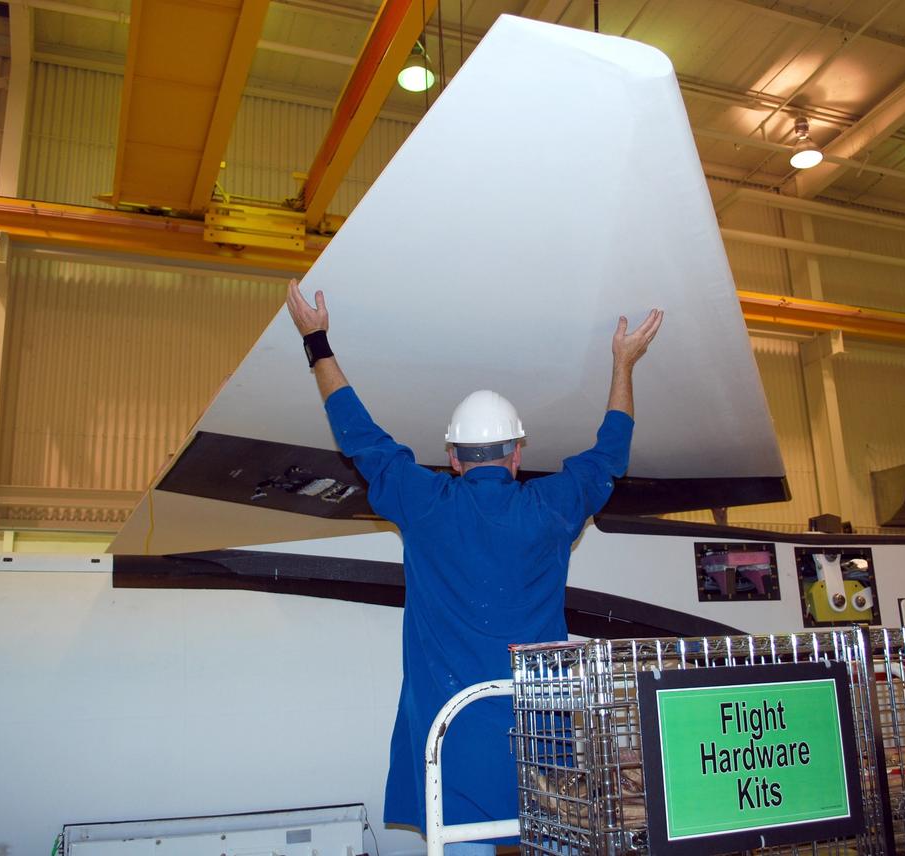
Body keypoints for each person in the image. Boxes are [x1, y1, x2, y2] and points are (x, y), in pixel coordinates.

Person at [284, 278, 664, 852]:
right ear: (518, 454)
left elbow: (361, 439)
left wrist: (317, 341)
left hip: (451, 740)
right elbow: (610, 453)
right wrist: (623, 362)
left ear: (453, 459)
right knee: (558, 834)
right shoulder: (550, 509)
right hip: (540, 737)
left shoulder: (426, 505)